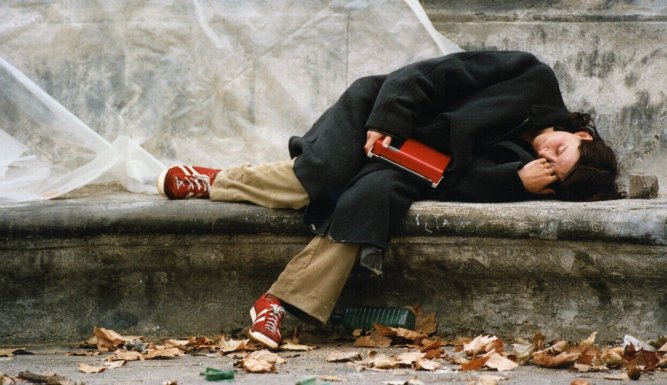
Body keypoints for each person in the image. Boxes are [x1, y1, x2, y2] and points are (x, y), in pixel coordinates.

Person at [157, 50, 624, 348]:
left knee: (370, 199)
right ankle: (215, 182)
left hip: (409, 170)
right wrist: (391, 117)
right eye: (560, 148)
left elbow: (454, 182)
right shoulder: (531, 77)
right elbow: (431, 74)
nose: (546, 152)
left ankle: (275, 304)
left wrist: (515, 182)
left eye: (553, 167)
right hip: (381, 115)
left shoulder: (519, 167)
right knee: (321, 175)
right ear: (580, 132)